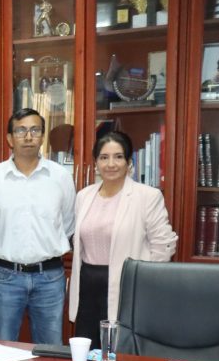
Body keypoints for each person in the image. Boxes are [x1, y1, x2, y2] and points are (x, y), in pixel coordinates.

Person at [69, 131, 177, 345]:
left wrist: (143, 279)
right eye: (104, 157)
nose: (111, 164)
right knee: (87, 347)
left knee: (120, 348)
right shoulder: (84, 196)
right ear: (96, 162)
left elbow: (163, 244)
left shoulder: (147, 196)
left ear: (129, 162)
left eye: (118, 157)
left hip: (126, 284)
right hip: (88, 283)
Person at [0, 109, 76, 344]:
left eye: (35, 130)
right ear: (9, 138)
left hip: (50, 277)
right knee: (2, 349)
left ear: (42, 136)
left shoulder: (60, 177)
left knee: (50, 350)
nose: (28, 137)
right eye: (21, 130)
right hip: (5, 277)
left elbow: (67, 223)